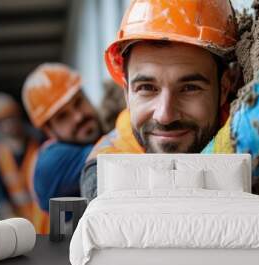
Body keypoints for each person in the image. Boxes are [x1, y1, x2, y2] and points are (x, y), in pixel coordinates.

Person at [80, 0, 238, 200]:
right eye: (147, 88)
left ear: (224, 88)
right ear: (127, 93)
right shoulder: (105, 167)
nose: (165, 116)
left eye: (189, 88)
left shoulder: (252, 123)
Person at [22, 63, 103, 217]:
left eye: (78, 102)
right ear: (48, 130)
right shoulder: (52, 161)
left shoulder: (90, 140)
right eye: (62, 116)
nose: (78, 117)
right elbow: (116, 154)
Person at [0, 92, 39, 221]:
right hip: (20, 224)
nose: (7, 125)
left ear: (18, 115)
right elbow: (1, 197)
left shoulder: (39, 144)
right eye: (1, 122)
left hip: (45, 219)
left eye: (10, 118)